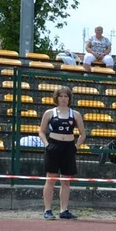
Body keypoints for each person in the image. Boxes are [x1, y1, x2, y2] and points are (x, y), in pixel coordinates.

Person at [39, 86, 86, 220]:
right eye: (61, 96)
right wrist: (47, 144)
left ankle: (64, 210)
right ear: (57, 98)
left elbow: (82, 134)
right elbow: (41, 131)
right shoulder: (50, 113)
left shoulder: (75, 114)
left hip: (69, 147)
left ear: (69, 98)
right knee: (51, 178)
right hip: (54, 146)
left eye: (66, 96)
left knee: (66, 181)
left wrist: (76, 147)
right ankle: (47, 210)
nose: (63, 99)